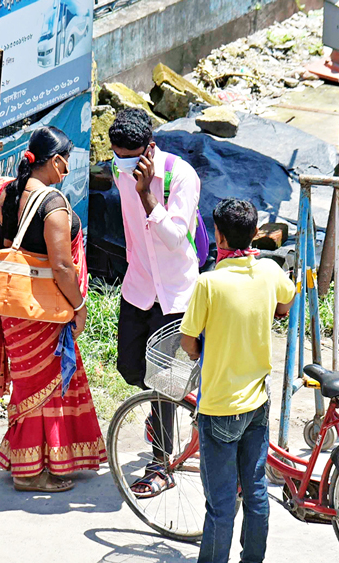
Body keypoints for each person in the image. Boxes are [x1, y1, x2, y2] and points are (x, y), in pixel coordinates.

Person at [0, 126, 106, 492]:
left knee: (29, 385)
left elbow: (6, 245)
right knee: (45, 387)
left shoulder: (5, 192)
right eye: (68, 161)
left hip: (13, 308)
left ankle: (35, 458)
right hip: (43, 311)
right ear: (58, 160)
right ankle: (29, 473)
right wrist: (79, 306)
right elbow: (63, 267)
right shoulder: (53, 204)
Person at [180, 198, 295, 563]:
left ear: (218, 235)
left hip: (218, 408)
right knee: (256, 490)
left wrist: (203, 348)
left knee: (221, 504)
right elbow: (286, 302)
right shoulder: (270, 271)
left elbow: (189, 343)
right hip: (257, 404)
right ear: (255, 234)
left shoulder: (209, 283)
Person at [108, 108, 202, 497]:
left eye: (131, 158)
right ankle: (168, 409)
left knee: (164, 381)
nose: (124, 165)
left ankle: (160, 464)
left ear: (150, 148)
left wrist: (147, 195)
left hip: (176, 294)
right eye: (117, 156)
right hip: (139, 287)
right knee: (130, 369)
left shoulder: (181, 176)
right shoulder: (118, 168)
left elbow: (175, 238)